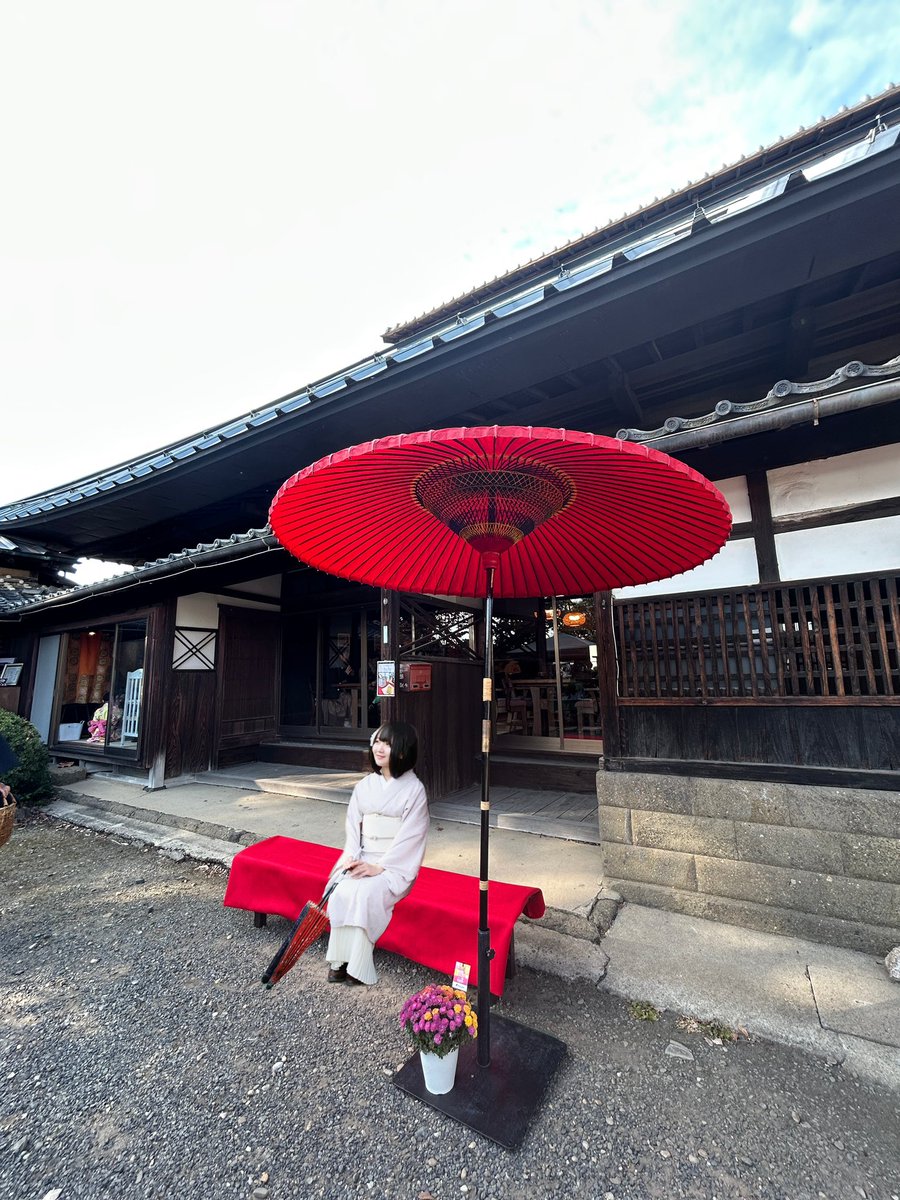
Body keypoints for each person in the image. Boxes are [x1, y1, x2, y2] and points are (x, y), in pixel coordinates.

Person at [324, 721, 429, 986]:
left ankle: (358, 963)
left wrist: (379, 867)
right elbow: (353, 827)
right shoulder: (364, 786)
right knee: (341, 886)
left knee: (366, 892)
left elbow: (412, 836)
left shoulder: (414, 790)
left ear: (403, 752)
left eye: (388, 743)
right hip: (363, 854)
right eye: (378, 742)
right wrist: (351, 858)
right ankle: (338, 960)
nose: (379, 748)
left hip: (393, 864)